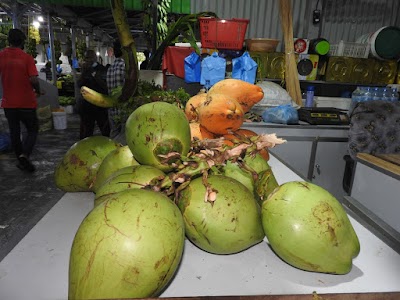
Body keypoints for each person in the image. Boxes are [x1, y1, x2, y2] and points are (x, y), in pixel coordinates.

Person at [0, 28, 41, 172]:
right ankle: (25, 155)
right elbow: (33, 79)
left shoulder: (1, 56)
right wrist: (37, 89)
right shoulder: (26, 58)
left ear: (8, 41)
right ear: (22, 41)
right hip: (26, 102)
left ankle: (21, 159)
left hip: (9, 103)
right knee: (33, 129)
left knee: (14, 132)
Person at [77, 49, 110, 139]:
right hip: (87, 106)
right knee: (86, 131)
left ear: (95, 57)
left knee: (105, 129)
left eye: (90, 57)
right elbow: (79, 84)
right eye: (86, 58)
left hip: (100, 105)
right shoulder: (85, 71)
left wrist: (93, 74)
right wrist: (84, 72)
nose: (88, 60)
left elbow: (104, 86)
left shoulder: (102, 69)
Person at [106, 40, 125, 138]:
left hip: (112, 108)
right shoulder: (124, 66)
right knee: (123, 137)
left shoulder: (110, 68)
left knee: (113, 134)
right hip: (123, 109)